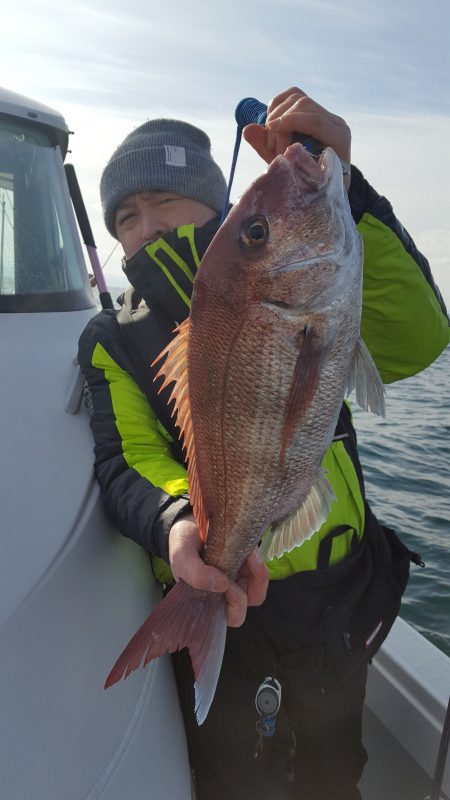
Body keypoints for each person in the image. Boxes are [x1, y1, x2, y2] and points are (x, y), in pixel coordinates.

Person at [78, 87, 449, 800]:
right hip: (230, 601)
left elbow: (420, 342)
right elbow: (126, 457)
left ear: (216, 207)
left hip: (344, 602)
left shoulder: (318, 277)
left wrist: (355, 195)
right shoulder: (115, 338)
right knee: (231, 781)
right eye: (126, 215)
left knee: (336, 773)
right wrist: (182, 525)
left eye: (164, 199)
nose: (146, 225)